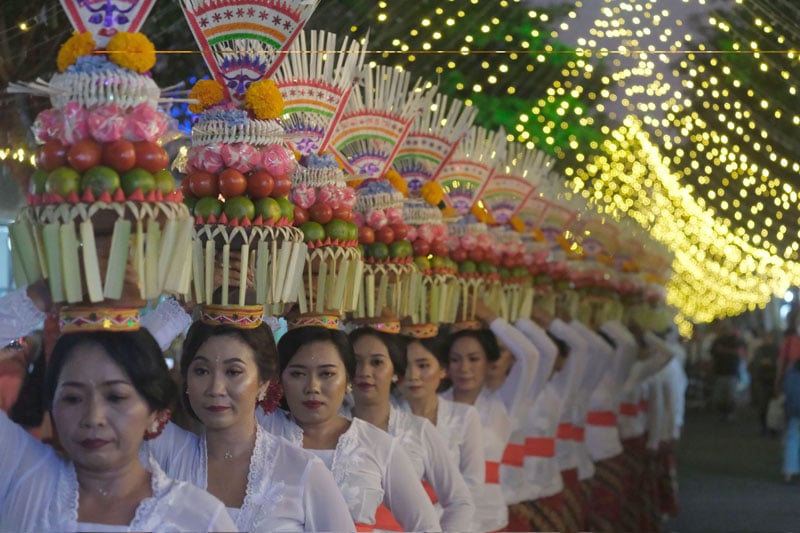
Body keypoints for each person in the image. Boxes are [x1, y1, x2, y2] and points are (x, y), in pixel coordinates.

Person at [0, 329, 236, 531]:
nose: (93, 418)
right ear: (52, 404)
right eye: (72, 398)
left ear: (155, 412)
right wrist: (34, 298)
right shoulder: (24, 478)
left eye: (116, 397)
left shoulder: (199, 519)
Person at [144, 320, 355, 532]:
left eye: (233, 372)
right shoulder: (165, 455)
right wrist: (177, 312)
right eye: (201, 371)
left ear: (263, 383)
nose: (216, 389)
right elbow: (122, 363)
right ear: (186, 380)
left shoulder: (303, 471)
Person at [257, 326, 441, 531]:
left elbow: (426, 526)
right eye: (298, 374)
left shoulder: (376, 444)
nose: (312, 387)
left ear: (348, 381)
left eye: (327, 374)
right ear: (280, 379)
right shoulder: (261, 433)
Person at [347, 327, 474, 531]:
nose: (364, 372)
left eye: (377, 362)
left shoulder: (417, 430)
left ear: (397, 372)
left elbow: (459, 502)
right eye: (356, 362)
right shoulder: (330, 427)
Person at [395, 333, 486, 514]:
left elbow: (473, 481)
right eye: (404, 367)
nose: (413, 375)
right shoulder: (387, 416)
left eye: (423, 366)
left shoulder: (464, 415)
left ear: (443, 369)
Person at [442, 326, 513, 532]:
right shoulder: (435, 405)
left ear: (489, 362)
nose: (464, 368)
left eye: (473, 359)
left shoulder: (504, 402)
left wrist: (491, 318)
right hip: (446, 518)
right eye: (455, 360)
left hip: (490, 517)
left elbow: (533, 356)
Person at [709, 323, 747, 420]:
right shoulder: (717, 341)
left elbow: (739, 352)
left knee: (731, 395)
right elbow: (713, 353)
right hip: (720, 371)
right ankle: (723, 413)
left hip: (731, 371)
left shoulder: (735, 340)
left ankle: (730, 413)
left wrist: (724, 351)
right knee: (720, 396)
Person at [750, 332, 779, 435]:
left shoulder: (776, 350)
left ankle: (773, 427)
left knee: (773, 405)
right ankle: (764, 426)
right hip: (762, 379)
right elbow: (757, 363)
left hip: (772, 379)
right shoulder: (760, 350)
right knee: (763, 405)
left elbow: (775, 363)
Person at [782, 358, 800, 483]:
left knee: (793, 440)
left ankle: (789, 472)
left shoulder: (792, 371)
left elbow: (786, 389)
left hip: (794, 410)